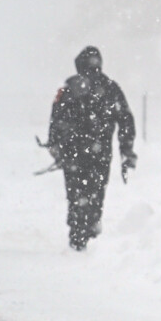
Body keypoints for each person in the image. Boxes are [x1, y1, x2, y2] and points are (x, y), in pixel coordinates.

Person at [46, 45, 137, 251]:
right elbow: (125, 120)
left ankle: (78, 232)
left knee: (76, 193)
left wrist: (55, 143)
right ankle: (92, 225)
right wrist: (126, 149)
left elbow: (56, 117)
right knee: (96, 191)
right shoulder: (111, 88)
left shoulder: (68, 88)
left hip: (73, 153)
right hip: (101, 153)